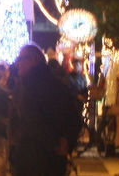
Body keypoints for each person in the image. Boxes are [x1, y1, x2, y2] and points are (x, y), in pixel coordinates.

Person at [8, 44, 82, 176]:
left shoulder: (28, 87)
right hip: (53, 160)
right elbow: (75, 117)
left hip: (32, 158)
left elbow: (32, 121)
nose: (18, 63)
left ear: (33, 60)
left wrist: (54, 143)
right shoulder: (58, 85)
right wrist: (67, 143)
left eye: (21, 59)